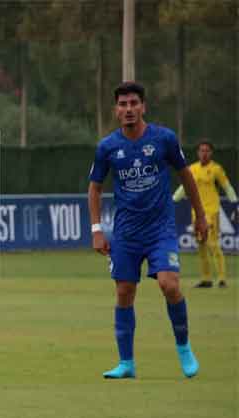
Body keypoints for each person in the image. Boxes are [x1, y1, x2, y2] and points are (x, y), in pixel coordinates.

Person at [88, 81, 208, 380]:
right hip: (126, 232)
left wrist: (200, 215)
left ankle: (184, 349)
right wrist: (96, 229)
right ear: (116, 110)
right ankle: (126, 363)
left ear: (143, 107)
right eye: (123, 105)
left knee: (169, 284)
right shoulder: (108, 147)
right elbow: (94, 188)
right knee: (124, 292)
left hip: (160, 229)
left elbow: (186, 177)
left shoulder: (164, 139)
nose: (129, 109)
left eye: (133, 104)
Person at [172, 140, 238, 288]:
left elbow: (227, 187)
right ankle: (206, 278)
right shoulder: (192, 169)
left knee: (213, 244)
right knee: (201, 246)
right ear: (198, 152)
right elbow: (184, 187)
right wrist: (172, 201)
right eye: (201, 150)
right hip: (196, 213)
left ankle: (222, 278)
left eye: (207, 150)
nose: (204, 153)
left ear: (211, 153)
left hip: (212, 211)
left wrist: (234, 203)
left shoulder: (216, 169)